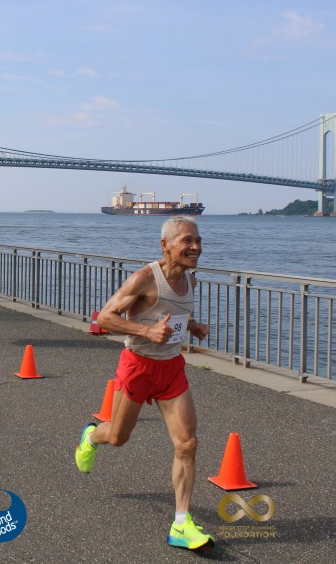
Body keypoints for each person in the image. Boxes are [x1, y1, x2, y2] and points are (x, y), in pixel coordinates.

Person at [74, 216, 213, 551]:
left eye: (197, 240)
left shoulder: (191, 281)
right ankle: (91, 436)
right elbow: (104, 317)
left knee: (187, 444)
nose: (195, 247)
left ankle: (181, 524)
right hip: (138, 367)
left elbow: (171, 315)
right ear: (165, 245)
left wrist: (191, 325)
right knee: (118, 437)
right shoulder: (144, 278)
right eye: (187, 241)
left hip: (171, 369)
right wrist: (146, 331)